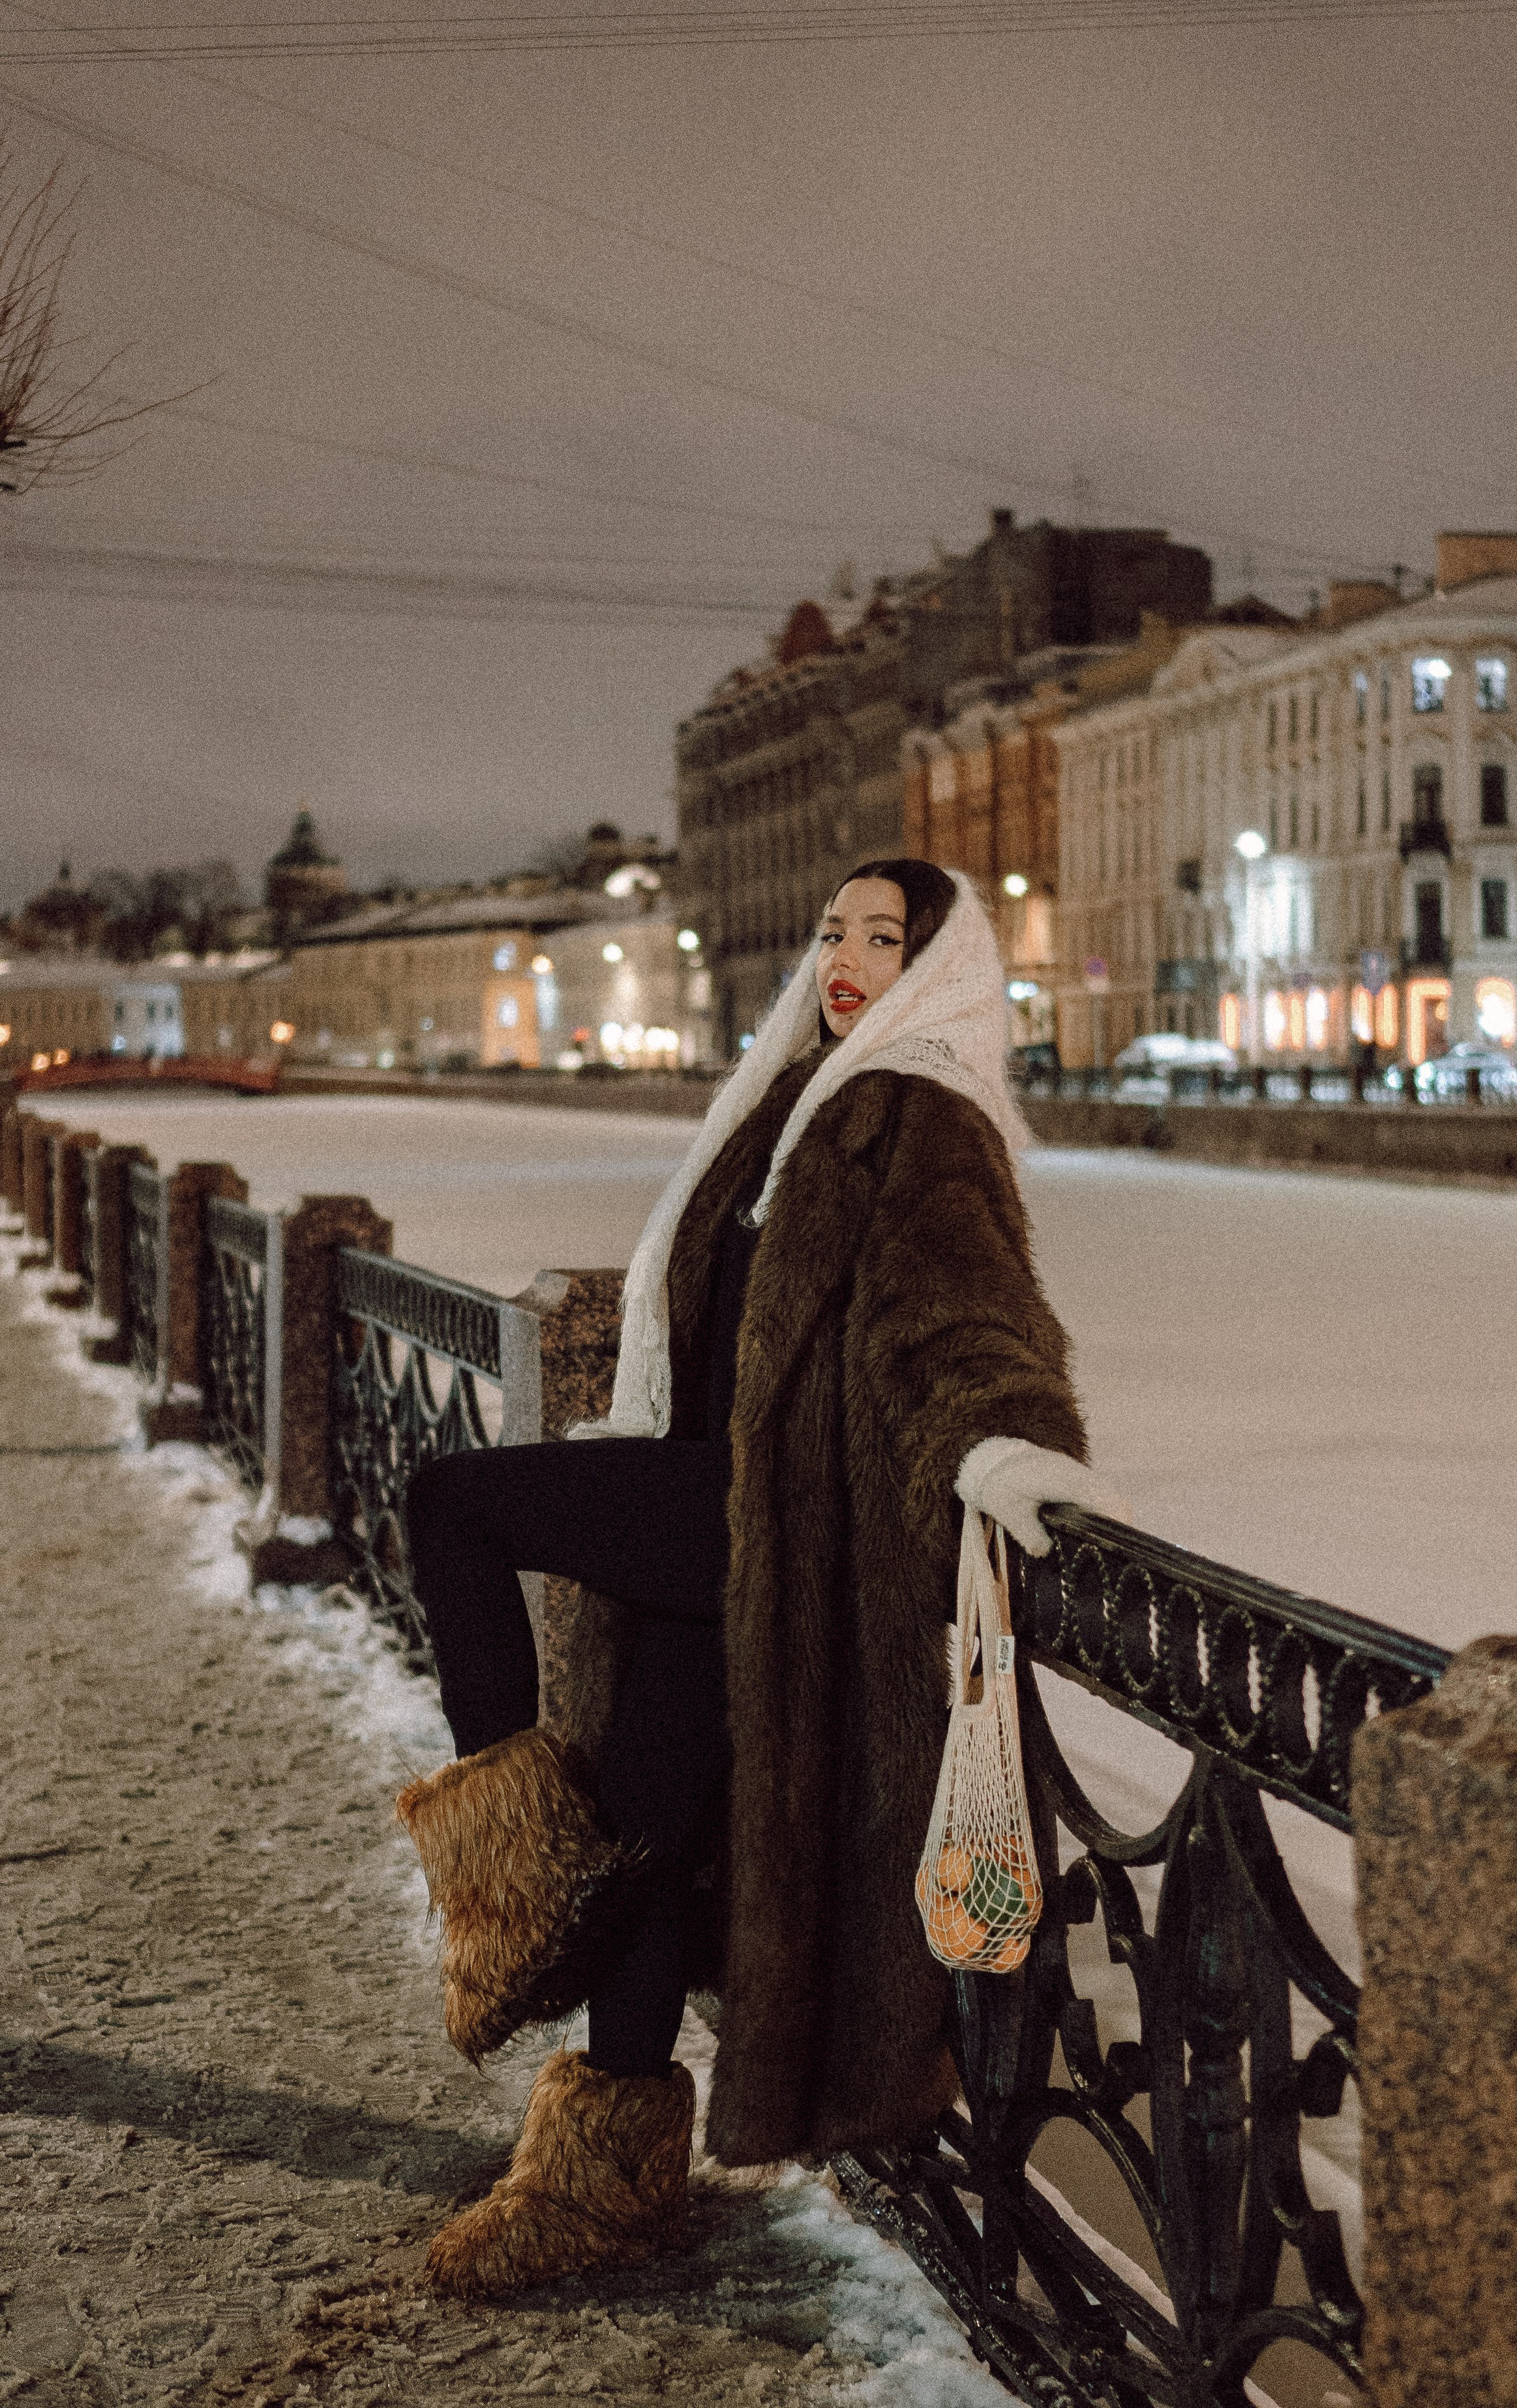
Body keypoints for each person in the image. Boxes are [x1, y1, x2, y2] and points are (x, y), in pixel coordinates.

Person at [397, 859, 1119, 2299]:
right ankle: (592, 2184)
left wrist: (1011, 1446)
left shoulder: (917, 1114)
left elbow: (966, 1314)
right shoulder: (792, 1099)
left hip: (774, 1532)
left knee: (450, 1499)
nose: (846, 956)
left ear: (939, 966)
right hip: (714, 1506)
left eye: (883, 936)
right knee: (650, 1848)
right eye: (833, 931)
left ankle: (517, 1864)